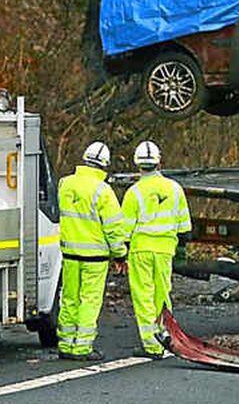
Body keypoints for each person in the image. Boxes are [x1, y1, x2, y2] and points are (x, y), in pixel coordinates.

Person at [56, 141, 127, 361]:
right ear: (104, 165)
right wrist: (120, 253)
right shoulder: (103, 191)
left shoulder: (65, 184)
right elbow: (114, 228)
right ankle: (82, 348)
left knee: (68, 299)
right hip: (95, 258)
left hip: (69, 254)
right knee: (89, 301)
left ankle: (66, 344)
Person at [120, 140, 191, 358]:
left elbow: (124, 229)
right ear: (159, 162)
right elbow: (185, 227)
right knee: (162, 294)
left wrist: (120, 254)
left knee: (144, 296)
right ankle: (165, 337)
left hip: (141, 250)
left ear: (137, 164)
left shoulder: (134, 193)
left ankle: (151, 345)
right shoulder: (175, 189)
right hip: (165, 250)